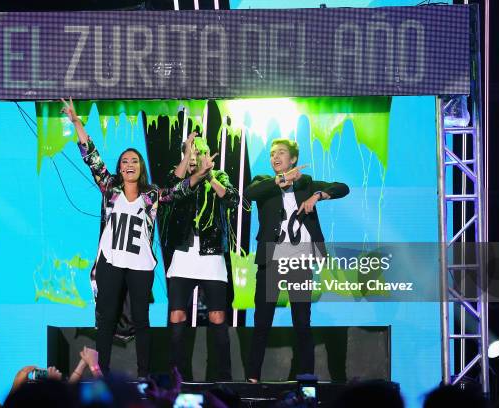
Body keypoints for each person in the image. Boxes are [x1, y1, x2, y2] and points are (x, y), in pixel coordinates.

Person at [60, 98, 213, 378]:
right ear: (119, 168)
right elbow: (91, 156)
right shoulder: (109, 187)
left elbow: (177, 191)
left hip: (141, 265)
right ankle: (101, 373)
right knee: (106, 320)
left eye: (134, 161)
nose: (129, 164)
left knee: (142, 321)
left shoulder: (151, 194)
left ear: (141, 167)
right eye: (124, 161)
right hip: (111, 261)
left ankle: (144, 375)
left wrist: (200, 175)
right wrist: (76, 122)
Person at [243, 138, 349, 383]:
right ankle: (252, 378)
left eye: (281, 153)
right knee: (262, 322)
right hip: (271, 261)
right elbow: (250, 194)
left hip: (299, 261)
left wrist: (318, 196)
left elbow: (342, 187)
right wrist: (282, 181)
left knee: (302, 322)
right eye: (272, 154)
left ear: (293, 160)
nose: (275, 157)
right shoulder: (264, 183)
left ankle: (307, 379)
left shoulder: (306, 183)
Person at [163, 133, 239, 381]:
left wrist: (211, 176)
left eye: (198, 152)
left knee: (218, 316)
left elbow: (233, 199)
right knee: (177, 315)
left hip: (212, 254)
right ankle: (177, 376)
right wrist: (188, 161)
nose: (194, 156)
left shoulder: (220, 177)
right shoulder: (180, 175)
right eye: (189, 152)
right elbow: (171, 193)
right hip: (183, 254)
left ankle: (223, 378)